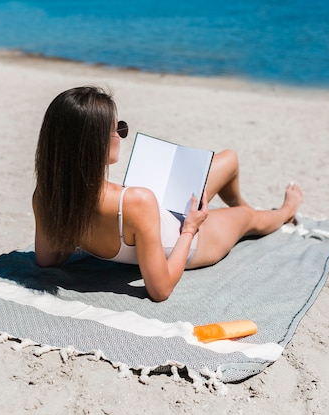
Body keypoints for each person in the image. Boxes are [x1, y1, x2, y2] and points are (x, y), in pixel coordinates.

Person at [33, 86, 303, 302]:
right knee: (246, 217)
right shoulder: (135, 201)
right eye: (118, 129)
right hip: (181, 240)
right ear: (94, 143)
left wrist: (76, 224)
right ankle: (283, 212)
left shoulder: (48, 196)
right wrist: (191, 228)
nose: (121, 135)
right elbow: (159, 290)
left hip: (150, 219)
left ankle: (248, 210)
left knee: (229, 160)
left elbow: (48, 259)